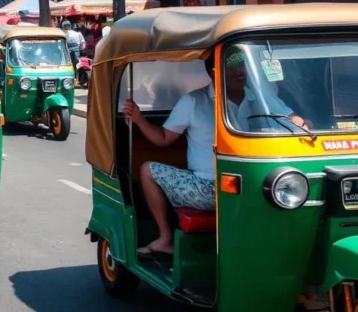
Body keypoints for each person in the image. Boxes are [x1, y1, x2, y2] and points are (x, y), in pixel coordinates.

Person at [123, 51, 306, 257]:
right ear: (214, 72)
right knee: (147, 170)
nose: (240, 72)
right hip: (208, 188)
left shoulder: (261, 97)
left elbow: (290, 117)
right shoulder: (194, 101)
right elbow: (163, 139)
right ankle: (165, 238)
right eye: (232, 66)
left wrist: (301, 123)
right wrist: (138, 119)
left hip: (256, 182)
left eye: (243, 65)